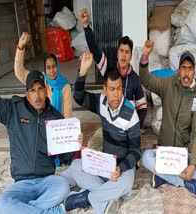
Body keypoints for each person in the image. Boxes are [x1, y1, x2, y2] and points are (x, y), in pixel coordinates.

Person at [0, 43, 82, 213]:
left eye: (40, 89)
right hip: (21, 184)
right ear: (27, 93)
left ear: (45, 90)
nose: (37, 95)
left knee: (63, 187)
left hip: (46, 181)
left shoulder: (55, 118)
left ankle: (25, 210)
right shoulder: (13, 109)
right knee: (2, 204)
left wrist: (74, 144)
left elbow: (65, 157)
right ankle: (49, 211)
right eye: (32, 90)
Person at [60, 51, 141, 213]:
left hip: (121, 169)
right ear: (105, 90)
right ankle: (105, 197)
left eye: (119, 88)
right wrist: (82, 73)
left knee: (126, 183)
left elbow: (136, 151)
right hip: (104, 166)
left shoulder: (131, 114)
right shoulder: (101, 102)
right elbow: (79, 97)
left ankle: (85, 198)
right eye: (112, 89)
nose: (116, 94)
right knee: (76, 166)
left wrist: (121, 168)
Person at [139, 40, 196, 196]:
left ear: (194, 72)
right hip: (164, 152)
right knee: (146, 158)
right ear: (178, 71)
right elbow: (146, 80)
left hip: (182, 155)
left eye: (190, 69)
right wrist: (145, 57)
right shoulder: (168, 85)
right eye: (183, 68)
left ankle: (163, 178)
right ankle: (183, 182)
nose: (186, 73)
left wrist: (192, 164)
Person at [79, 8, 147, 150]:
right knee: (92, 146)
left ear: (130, 56)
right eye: (121, 51)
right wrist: (86, 27)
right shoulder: (108, 68)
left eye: (127, 52)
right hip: (108, 128)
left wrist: (134, 129)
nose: (123, 55)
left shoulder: (134, 79)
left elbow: (142, 107)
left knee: (130, 156)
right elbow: (95, 50)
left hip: (125, 129)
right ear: (117, 53)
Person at [15, 32, 72, 118]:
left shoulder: (65, 86)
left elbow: (67, 115)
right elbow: (19, 72)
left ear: (58, 66)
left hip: (57, 125)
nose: (52, 70)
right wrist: (20, 47)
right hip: (40, 122)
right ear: (45, 69)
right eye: (48, 67)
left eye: (54, 66)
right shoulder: (40, 79)